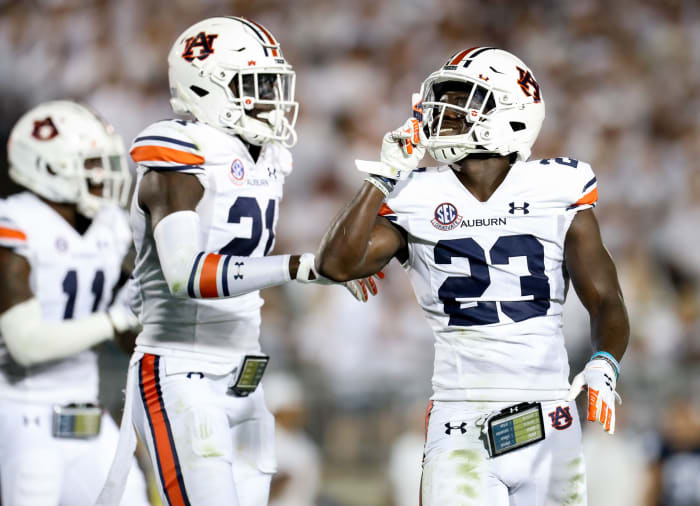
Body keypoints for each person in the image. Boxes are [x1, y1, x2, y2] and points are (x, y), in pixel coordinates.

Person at [317, 47, 630, 505]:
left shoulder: (557, 187)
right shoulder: (413, 192)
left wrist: (606, 362)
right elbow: (335, 264)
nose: (441, 113)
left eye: (463, 98)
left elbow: (606, 299)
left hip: (550, 414)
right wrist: (383, 175)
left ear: (512, 112)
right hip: (459, 418)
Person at [97, 16, 375, 506]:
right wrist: (301, 267)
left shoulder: (269, 156)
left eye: (273, 83)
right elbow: (186, 273)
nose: (271, 96)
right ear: (205, 89)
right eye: (256, 84)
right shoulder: (177, 152)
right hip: (183, 370)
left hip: (245, 372)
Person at [0, 100, 149, 505]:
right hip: (21, 412)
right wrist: (116, 317)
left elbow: (129, 336)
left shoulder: (112, 226)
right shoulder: (14, 223)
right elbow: (26, 344)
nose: (105, 174)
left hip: (87, 412)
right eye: (93, 163)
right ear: (49, 166)